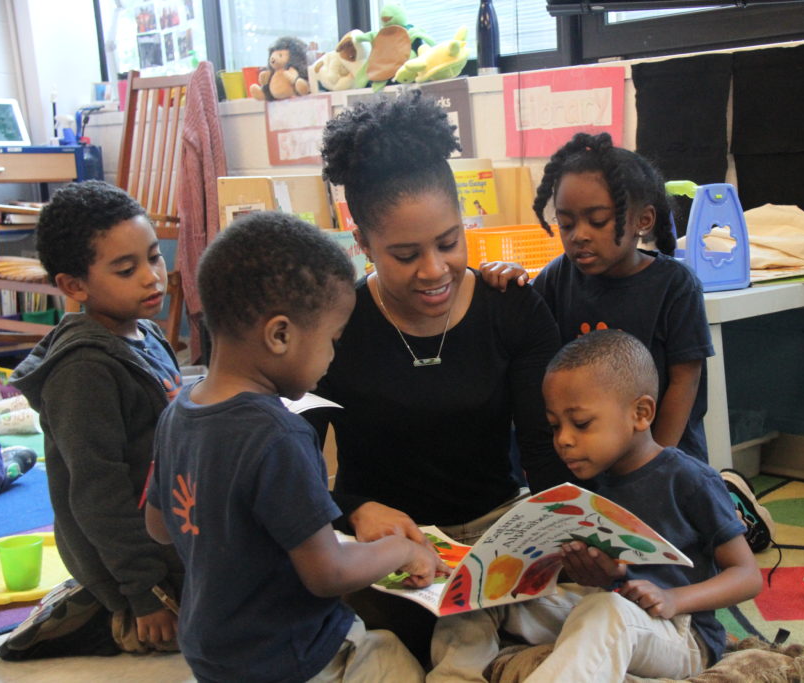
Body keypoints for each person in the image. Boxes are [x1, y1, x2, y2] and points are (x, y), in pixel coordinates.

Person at [312, 89, 572, 660]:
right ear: (362, 244)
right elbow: (292, 462)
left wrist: (566, 533)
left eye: (449, 242)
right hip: (384, 546)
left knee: (575, 615)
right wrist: (351, 507)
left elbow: (545, 449)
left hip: (493, 531)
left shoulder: (512, 307)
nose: (435, 271)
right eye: (405, 255)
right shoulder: (334, 328)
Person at [144, 212, 444, 682]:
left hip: (211, 651)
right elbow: (327, 573)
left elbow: (160, 526)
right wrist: (404, 553)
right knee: (401, 662)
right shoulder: (278, 435)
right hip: (294, 656)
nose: (332, 357)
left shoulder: (178, 410)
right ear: (280, 334)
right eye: (332, 340)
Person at [430, 329, 762, 682]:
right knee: (470, 599)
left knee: (606, 610)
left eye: (582, 423)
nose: (564, 440)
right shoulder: (587, 486)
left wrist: (674, 598)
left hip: (682, 633)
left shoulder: (689, 479)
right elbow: (606, 582)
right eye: (555, 426)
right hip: (602, 609)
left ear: (641, 412)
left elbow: (747, 576)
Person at [3, 181, 184, 660]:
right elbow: (97, 496)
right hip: (132, 557)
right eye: (127, 269)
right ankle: (104, 618)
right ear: (73, 286)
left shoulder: (142, 332)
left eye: (154, 257)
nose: (152, 277)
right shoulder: (84, 371)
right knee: (230, 624)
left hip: (168, 524)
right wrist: (145, 594)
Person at [482, 131, 714, 462]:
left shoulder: (675, 286)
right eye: (566, 223)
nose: (580, 235)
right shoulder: (558, 276)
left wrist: (657, 463)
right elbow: (523, 335)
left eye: (598, 221)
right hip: (585, 460)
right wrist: (507, 276)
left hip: (663, 456)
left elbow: (684, 382)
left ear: (643, 221)